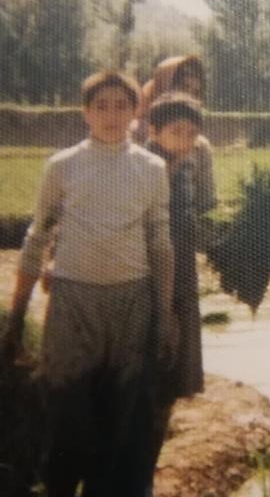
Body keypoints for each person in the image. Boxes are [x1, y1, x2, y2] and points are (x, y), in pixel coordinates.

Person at [3, 70, 175, 496]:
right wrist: (17, 315)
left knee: (123, 415)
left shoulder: (152, 168)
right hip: (73, 301)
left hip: (131, 302)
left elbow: (160, 243)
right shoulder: (63, 166)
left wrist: (164, 311)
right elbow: (37, 236)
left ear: (137, 113)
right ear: (86, 113)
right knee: (67, 409)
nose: (112, 115)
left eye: (122, 106)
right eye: (102, 106)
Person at [138, 92, 211, 491]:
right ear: (154, 132)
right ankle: (134, 473)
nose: (185, 140)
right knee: (145, 382)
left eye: (191, 132)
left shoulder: (185, 168)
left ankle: (145, 470)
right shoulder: (143, 169)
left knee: (169, 383)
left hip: (181, 286)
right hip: (146, 289)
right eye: (176, 132)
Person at [132, 55, 216, 217]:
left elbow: (206, 203)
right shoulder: (132, 136)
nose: (189, 98)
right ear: (163, 86)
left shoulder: (199, 145)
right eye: (183, 88)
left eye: (195, 92)